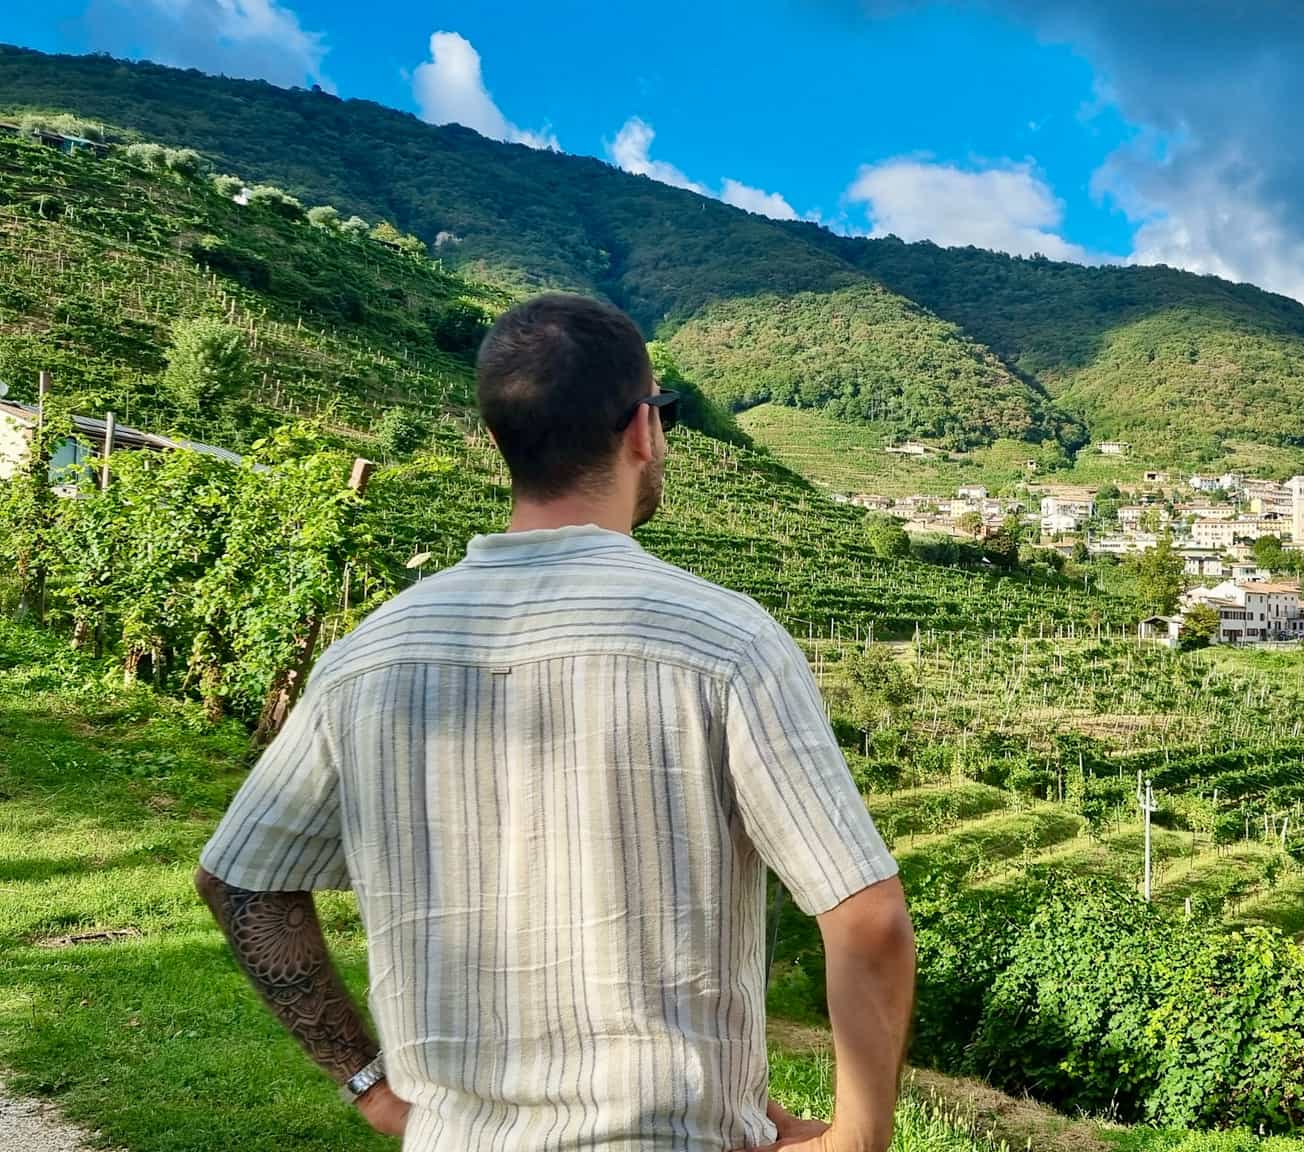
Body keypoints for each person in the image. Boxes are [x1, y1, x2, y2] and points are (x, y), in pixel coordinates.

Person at [195, 292, 914, 1151]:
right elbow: (867, 921)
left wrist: (371, 1087)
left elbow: (238, 881)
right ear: (644, 429)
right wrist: (857, 1140)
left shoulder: (367, 656)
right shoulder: (724, 643)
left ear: (499, 443)